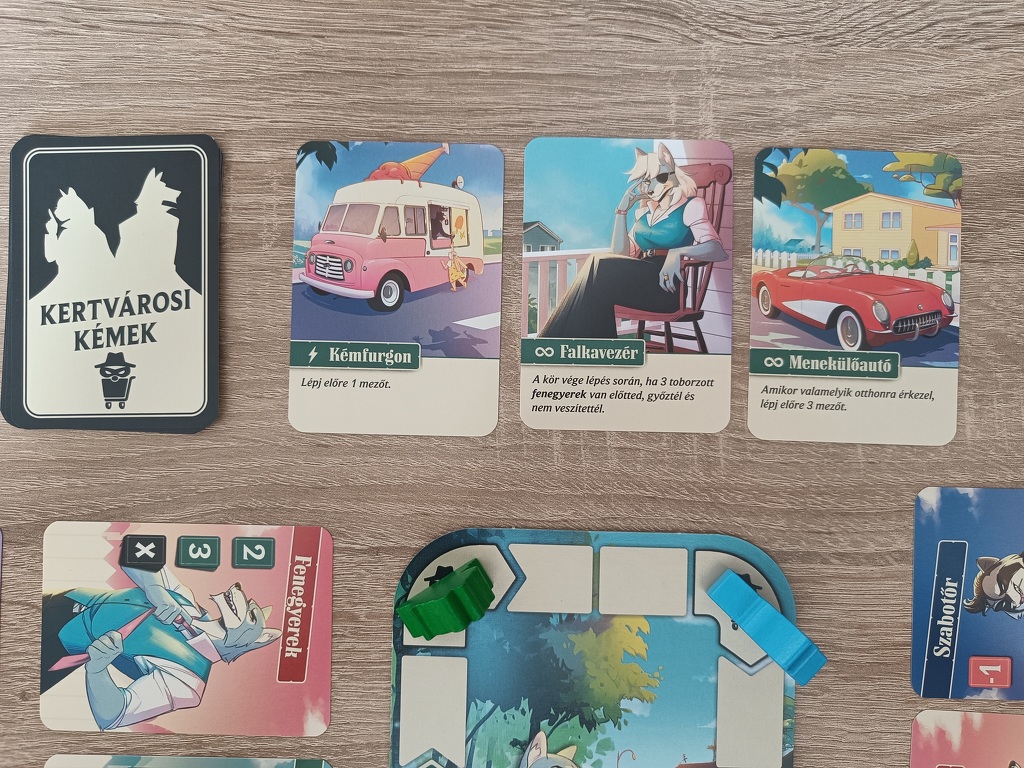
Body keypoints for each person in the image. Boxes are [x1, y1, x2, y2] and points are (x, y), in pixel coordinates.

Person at [538, 143, 729, 340]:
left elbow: (717, 250)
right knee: (597, 281)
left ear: (674, 176)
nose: (652, 187)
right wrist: (622, 211)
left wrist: (677, 253)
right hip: (639, 280)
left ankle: (551, 341)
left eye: (660, 178)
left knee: (598, 267)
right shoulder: (644, 214)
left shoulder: (691, 206)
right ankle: (593, 346)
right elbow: (620, 254)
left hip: (667, 286)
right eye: (647, 181)